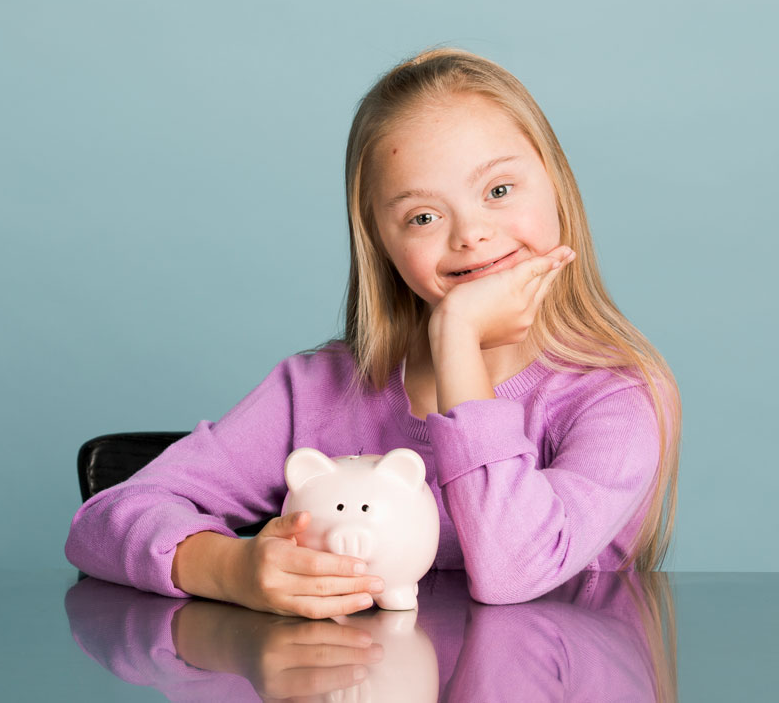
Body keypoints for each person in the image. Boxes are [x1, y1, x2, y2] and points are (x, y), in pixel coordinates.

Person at [65, 46, 682, 620]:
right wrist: (231, 566)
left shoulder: (616, 397)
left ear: (558, 186)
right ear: (382, 245)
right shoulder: (321, 390)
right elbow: (99, 523)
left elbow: (511, 570)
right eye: (422, 216)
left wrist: (458, 336)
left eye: (499, 189)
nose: (470, 234)